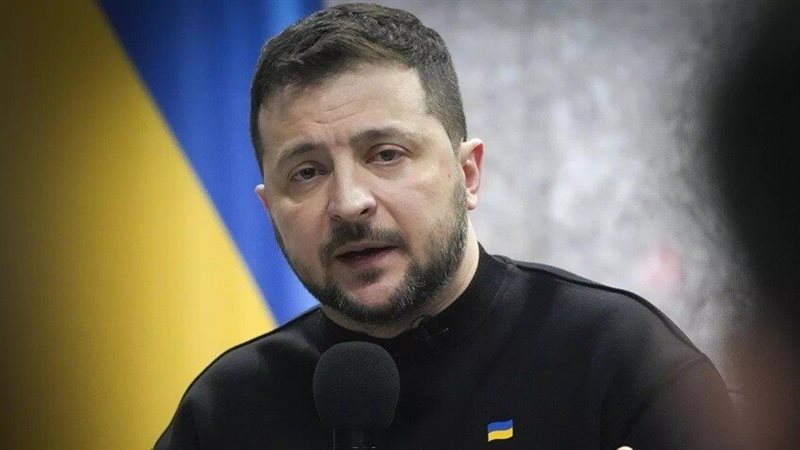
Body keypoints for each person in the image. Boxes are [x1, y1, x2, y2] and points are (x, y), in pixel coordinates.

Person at [155, 4, 740, 449]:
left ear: (468, 174)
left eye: (386, 154)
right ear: (270, 211)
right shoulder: (225, 413)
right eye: (306, 172)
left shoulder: (616, 361)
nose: (349, 203)